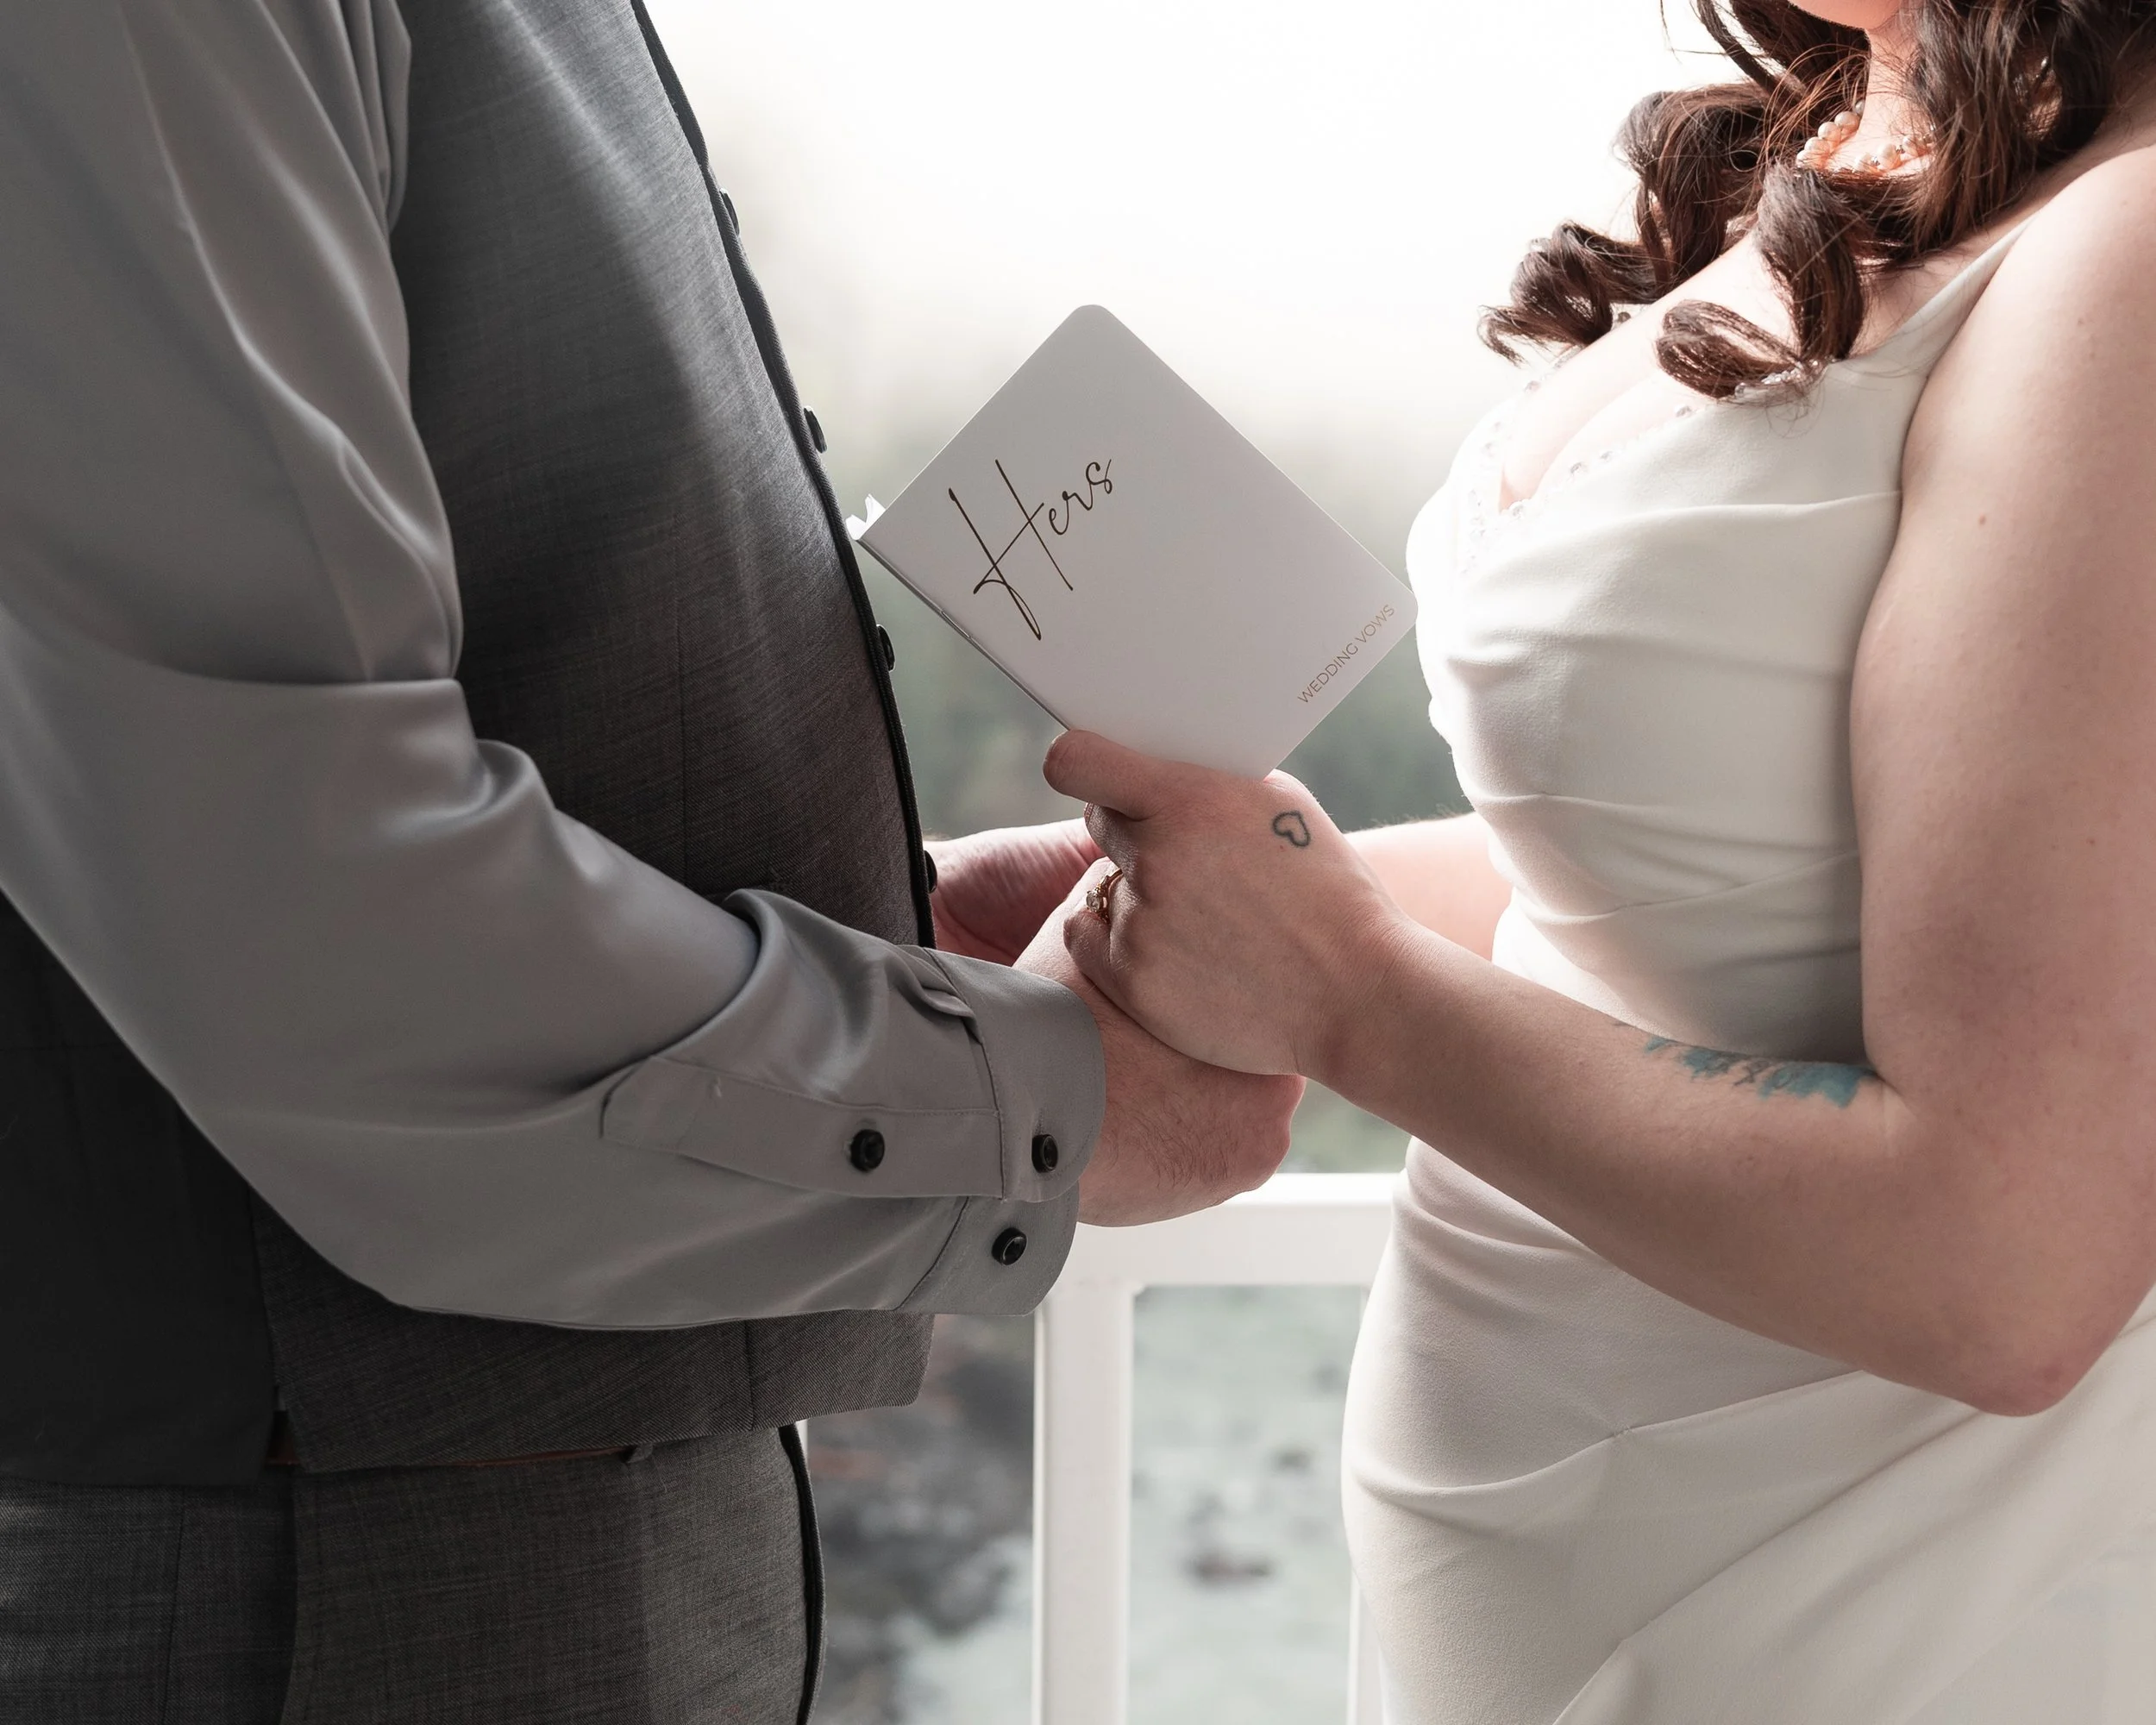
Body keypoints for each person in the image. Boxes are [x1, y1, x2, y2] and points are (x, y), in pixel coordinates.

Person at [0, 3, 1297, 1721]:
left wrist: (873, 920)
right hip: (324, 1564)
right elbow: (297, 885)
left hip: (458, 1518)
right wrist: (1048, 1104)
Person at [1039, 0, 2156, 1717]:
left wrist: (1343, 994)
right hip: (1550, 1566)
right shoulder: (1846, 138)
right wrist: (1203, 886)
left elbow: (2005, 1264)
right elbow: (1685, 899)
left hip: (1863, 1605)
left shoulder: (2127, 248)